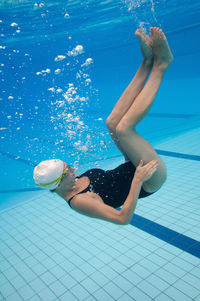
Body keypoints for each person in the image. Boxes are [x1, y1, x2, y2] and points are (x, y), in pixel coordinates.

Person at [33, 27, 173, 225]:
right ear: (57, 185)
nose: (73, 168)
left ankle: (146, 62)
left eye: (67, 165)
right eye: (67, 171)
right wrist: (138, 179)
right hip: (149, 180)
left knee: (112, 123)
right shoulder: (79, 201)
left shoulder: (69, 182)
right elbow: (122, 218)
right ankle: (162, 64)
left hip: (131, 165)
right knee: (124, 129)